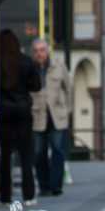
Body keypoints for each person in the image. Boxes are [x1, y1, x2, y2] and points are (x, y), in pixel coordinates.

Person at [0, 28, 42, 205]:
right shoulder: (26, 62)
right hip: (23, 111)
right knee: (25, 154)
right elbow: (36, 86)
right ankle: (28, 195)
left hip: (4, 112)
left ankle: (5, 196)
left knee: (6, 155)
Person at [30, 38, 70, 197]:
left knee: (57, 151)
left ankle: (56, 186)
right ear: (33, 53)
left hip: (57, 116)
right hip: (37, 116)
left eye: (42, 50)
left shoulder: (58, 66)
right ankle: (44, 186)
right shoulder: (30, 68)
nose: (40, 54)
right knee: (39, 153)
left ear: (48, 51)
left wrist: (67, 111)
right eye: (37, 51)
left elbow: (69, 89)